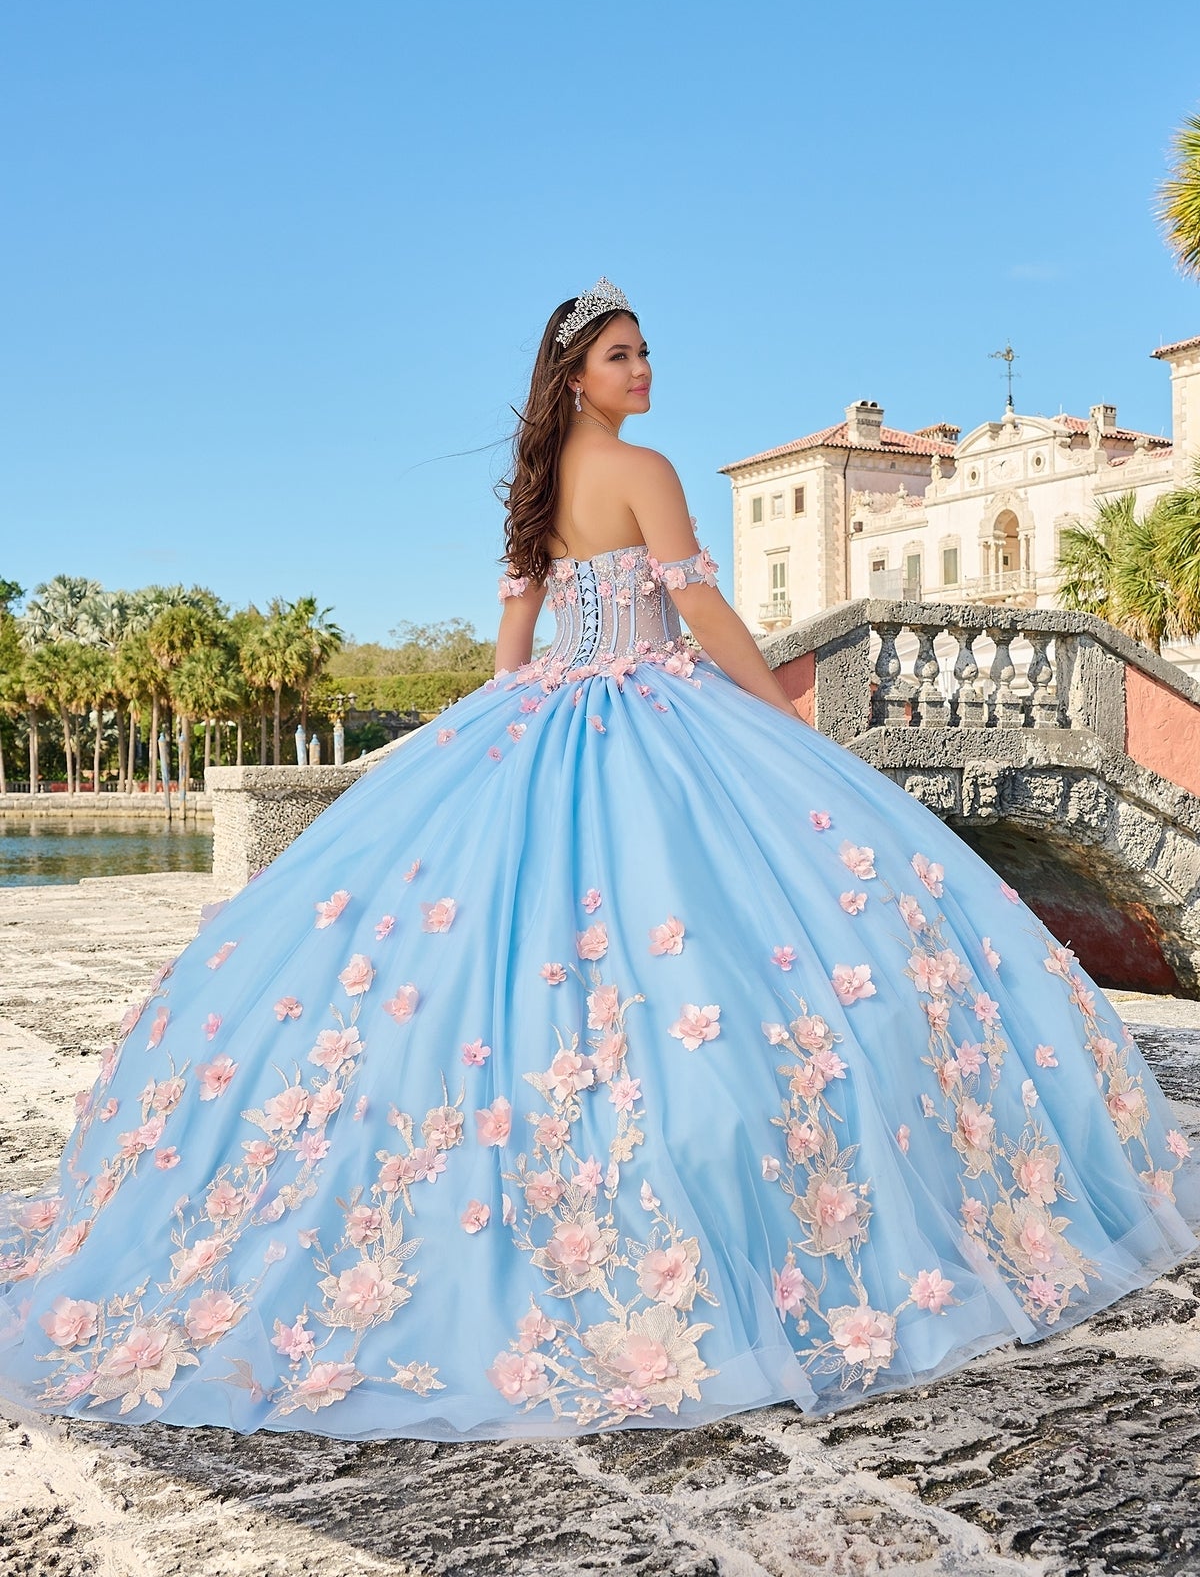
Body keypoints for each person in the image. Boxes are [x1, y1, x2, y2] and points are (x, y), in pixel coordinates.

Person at [2, 277, 1198, 1444]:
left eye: (646, 351)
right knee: (733, 952)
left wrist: (497, 739)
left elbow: (514, 647)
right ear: (576, 374)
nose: (645, 370)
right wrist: (788, 729)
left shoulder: (534, 489)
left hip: (536, 722)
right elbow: (710, 620)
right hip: (658, 715)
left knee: (518, 966)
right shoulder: (646, 473)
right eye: (624, 354)